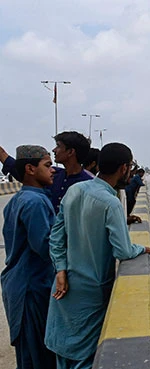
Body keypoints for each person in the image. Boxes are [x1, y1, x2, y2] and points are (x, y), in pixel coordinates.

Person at [44, 142, 150, 368]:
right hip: (92, 293)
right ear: (124, 168)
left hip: (65, 287)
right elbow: (123, 250)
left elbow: (56, 237)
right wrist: (142, 249)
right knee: (86, 357)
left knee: (65, 356)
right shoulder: (110, 203)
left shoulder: (75, 190)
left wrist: (60, 269)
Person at [1, 145, 57, 368]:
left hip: (20, 284)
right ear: (31, 169)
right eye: (48, 165)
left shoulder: (20, 199)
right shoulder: (34, 202)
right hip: (31, 288)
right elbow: (44, 246)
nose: (53, 170)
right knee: (38, 357)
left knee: (29, 355)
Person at [0, 131, 93, 212]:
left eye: (58, 146)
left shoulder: (89, 184)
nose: (54, 150)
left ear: (70, 152)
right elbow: (20, 170)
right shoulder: (52, 175)